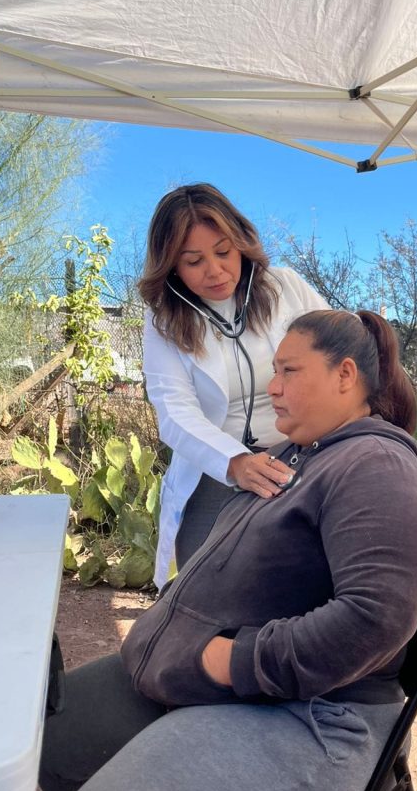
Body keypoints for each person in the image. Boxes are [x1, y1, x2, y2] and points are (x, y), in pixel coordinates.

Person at [39, 309, 417, 791]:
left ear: (345, 375)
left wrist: (231, 660)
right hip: (200, 677)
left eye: (289, 371)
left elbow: (374, 620)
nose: (272, 388)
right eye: (273, 372)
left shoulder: (376, 466)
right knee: (54, 735)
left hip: (313, 718)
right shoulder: (297, 455)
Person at [138, 183, 328, 587]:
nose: (215, 271)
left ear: (241, 244)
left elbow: (338, 349)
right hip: (218, 464)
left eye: (223, 252)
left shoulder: (285, 287)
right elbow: (174, 412)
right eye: (194, 261)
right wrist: (236, 463)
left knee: (301, 582)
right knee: (202, 583)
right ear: (171, 267)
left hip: (304, 454)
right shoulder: (163, 322)